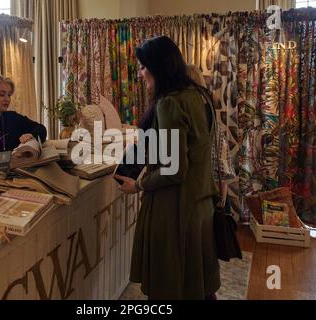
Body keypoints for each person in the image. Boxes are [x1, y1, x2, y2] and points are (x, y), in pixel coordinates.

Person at [115, 36, 221, 300]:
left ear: (157, 67)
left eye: (142, 67)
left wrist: (137, 184)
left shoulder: (170, 102)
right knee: (196, 285)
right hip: (199, 205)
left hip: (175, 211)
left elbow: (174, 169)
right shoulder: (199, 95)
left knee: (170, 286)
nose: (140, 74)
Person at [187, 65, 236, 215]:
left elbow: (218, 168)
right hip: (212, 197)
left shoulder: (197, 122)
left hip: (204, 199)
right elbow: (222, 168)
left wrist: (220, 200)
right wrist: (222, 198)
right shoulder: (211, 119)